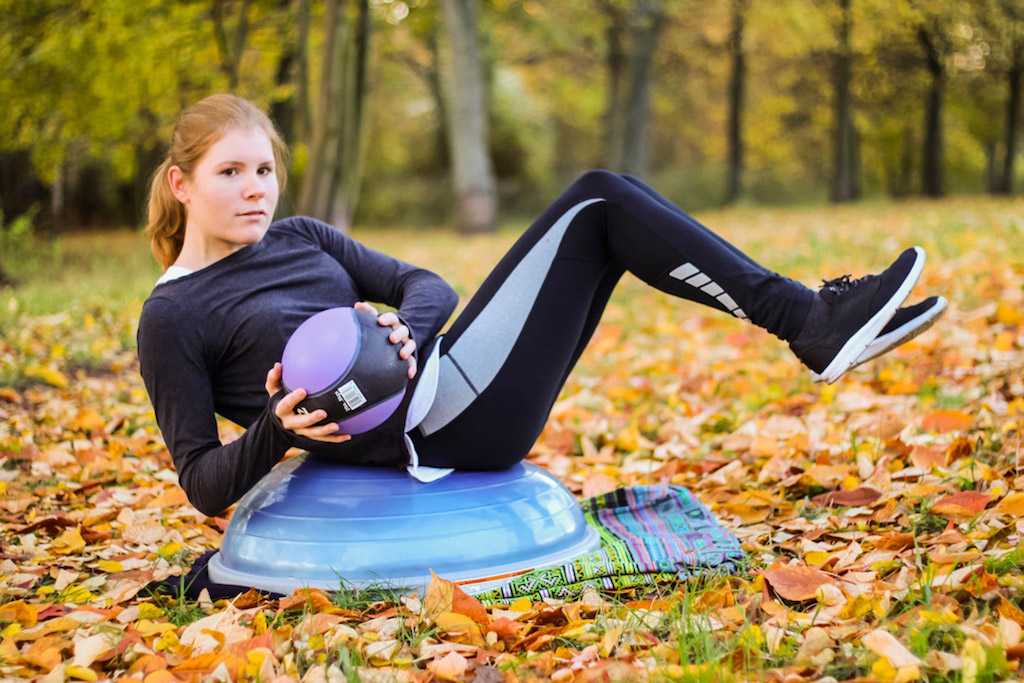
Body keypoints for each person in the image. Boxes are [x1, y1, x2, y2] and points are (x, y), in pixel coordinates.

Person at [137, 94, 946, 518]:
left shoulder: (303, 235)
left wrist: (399, 331)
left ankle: (814, 321)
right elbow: (203, 481)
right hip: (436, 430)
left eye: (263, 171)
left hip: (447, 375)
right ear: (181, 183)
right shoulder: (173, 317)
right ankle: (811, 323)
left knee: (606, 201)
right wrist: (281, 426)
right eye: (230, 174)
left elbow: (430, 287)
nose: (254, 191)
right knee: (596, 199)